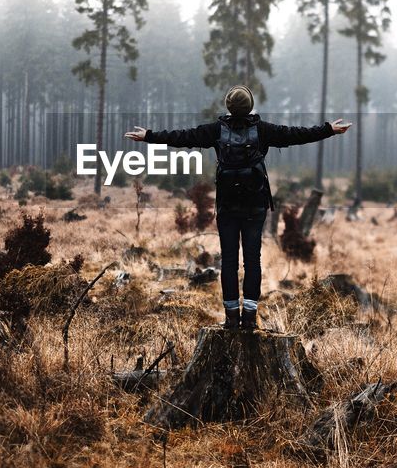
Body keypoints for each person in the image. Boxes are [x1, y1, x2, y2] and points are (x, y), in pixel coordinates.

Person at [125, 85, 350, 330]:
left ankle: (232, 317)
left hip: (227, 205)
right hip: (255, 205)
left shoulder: (214, 131)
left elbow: (182, 137)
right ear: (250, 105)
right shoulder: (263, 130)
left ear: (229, 107)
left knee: (229, 261)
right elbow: (296, 134)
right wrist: (328, 130)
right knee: (253, 260)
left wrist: (149, 135)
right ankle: (250, 318)